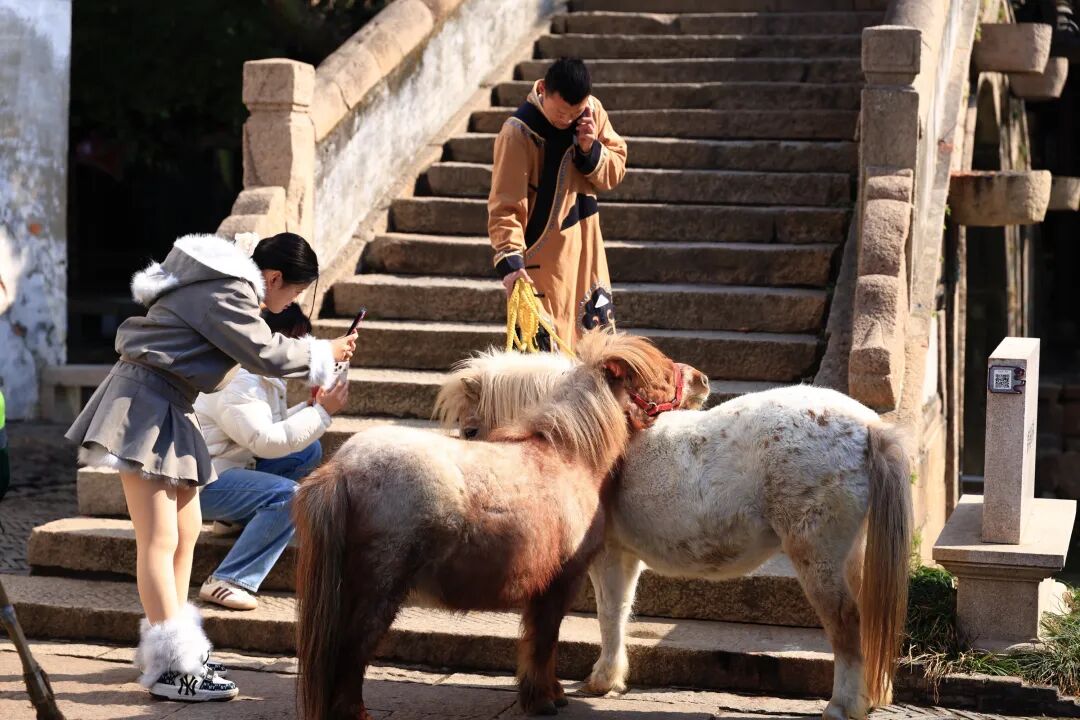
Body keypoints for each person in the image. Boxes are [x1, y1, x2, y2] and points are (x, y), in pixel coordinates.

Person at [65, 232, 356, 702]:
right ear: (274, 278)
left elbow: (260, 347)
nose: (291, 304)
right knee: (159, 540)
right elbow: (264, 352)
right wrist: (326, 352)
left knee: (185, 533)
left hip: (171, 404)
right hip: (144, 401)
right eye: (295, 293)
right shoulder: (227, 289)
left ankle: (176, 655)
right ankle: (173, 667)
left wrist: (322, 357)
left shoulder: (223, 286)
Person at [195, 303, 348, 611]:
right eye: (298, 344)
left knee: (307, 451)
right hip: (199, 482)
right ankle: (229, 579)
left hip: (226, 464)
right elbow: (265, 441)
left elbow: (269, 427)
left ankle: (235, 518)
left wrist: (310, 408)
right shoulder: (240, 380)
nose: (302, 354)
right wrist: (321, 413)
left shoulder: (259, 372)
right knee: (288, 497)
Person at [488, 57, 628, 351]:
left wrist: (590, 148)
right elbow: (505, 205)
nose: (567, 120)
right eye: (561, 112)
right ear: (543, 91)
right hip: (542, 262)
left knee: (596, 351)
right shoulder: (518, 132)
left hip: (586, 252)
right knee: (543, 355)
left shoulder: (593, 112)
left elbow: (615, 171)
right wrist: (511, 262)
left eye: (574, 113)